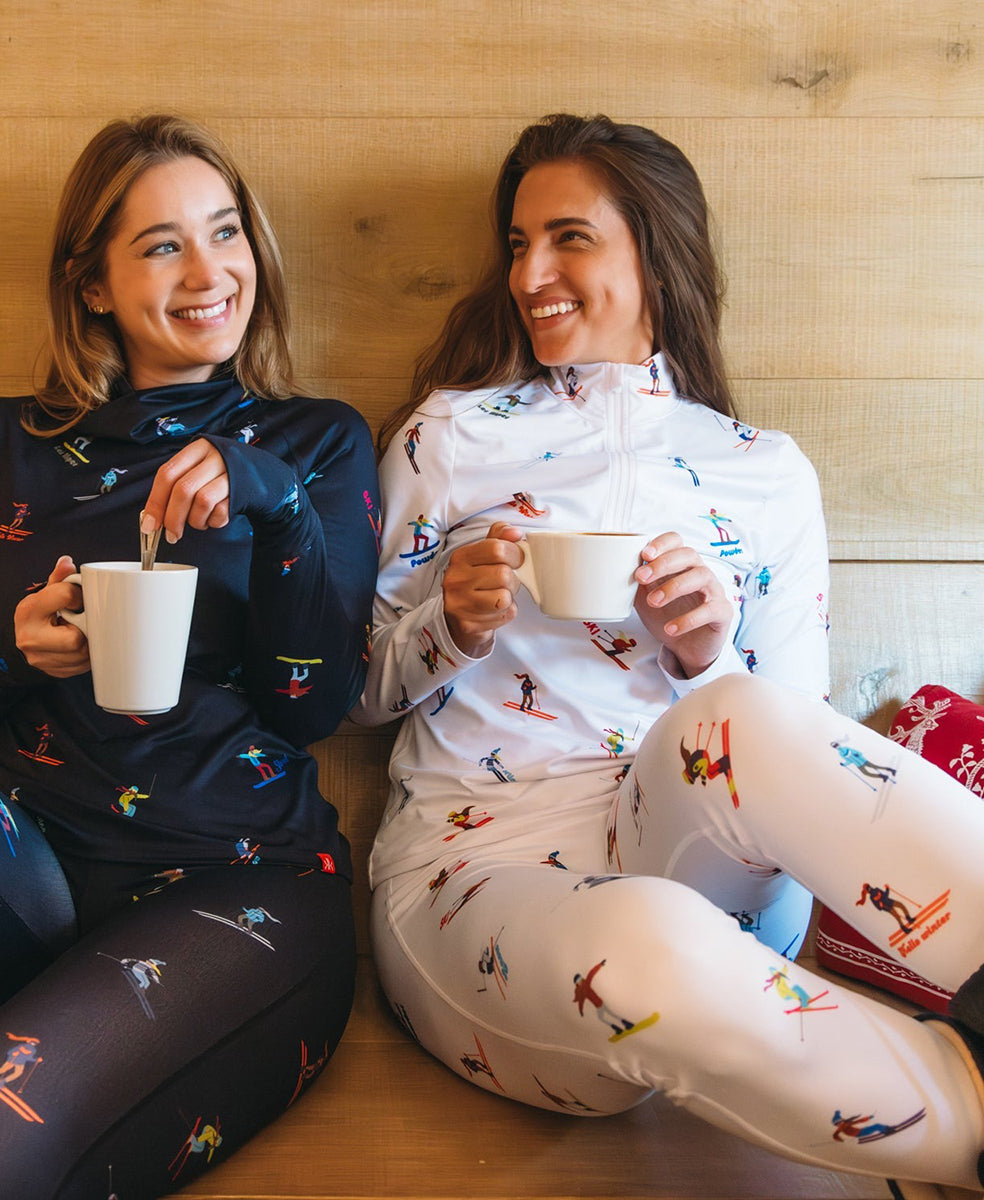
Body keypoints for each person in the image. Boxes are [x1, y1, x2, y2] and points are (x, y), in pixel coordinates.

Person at [354, 113, 984, 1198]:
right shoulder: (448, 436)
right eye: (518, 244)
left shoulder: (764, 472)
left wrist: (707, 654)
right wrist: (447, 625)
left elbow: (805, 747)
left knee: (740, 717)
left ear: (656, 251)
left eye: (570, 239)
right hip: (480, 873)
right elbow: (351, 691)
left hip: (700, 849)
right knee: (643, 940)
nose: (531, 276)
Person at [0, 114, 379, 1199]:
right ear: (93, 284)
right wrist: (11, 655)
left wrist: (279, 504)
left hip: (235, 889)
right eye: (162, 246)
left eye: (226, 232)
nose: (210, 272)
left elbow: (312, 707)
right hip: (21, 883)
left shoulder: (315, 442)